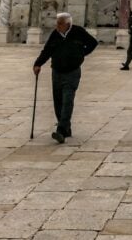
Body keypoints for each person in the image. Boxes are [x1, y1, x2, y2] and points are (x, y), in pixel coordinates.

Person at [33, 12, 98, 143]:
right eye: (57, 23)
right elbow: (47, 50)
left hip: (72, 72)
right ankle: (66, 128)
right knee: (58, 101)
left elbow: (93, 43)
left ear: (67, 24)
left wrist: (81, 54)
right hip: (57, 71)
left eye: (60, 24)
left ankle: (61, 130)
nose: (57, 26)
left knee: (67, 100)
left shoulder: (78, 32)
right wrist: (38, 63)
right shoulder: (55, 34)